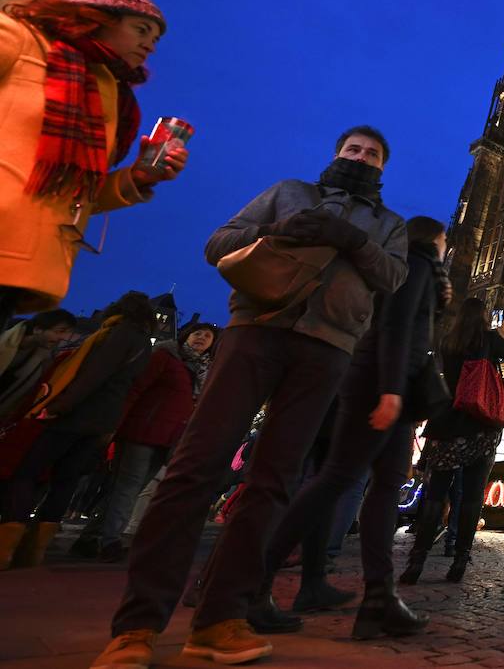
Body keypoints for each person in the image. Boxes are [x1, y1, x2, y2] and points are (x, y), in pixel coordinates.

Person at [93, 126, 408, 669]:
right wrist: (285, 227)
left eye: (372, 154)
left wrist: (354, 240)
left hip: (327, 348)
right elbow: (219, 244)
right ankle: (137, 624)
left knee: (274, 482)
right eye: (353, 149)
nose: (361, 158)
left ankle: (221, 617)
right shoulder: (290, 192)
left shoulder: (388, 224)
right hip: (256, 330)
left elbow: (394, 279)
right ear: (336, 154)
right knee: (196, 467)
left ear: (383, 166)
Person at [257, 215, 450, 639]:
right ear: (433, 240)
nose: (446, 248)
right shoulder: (416, 263)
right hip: (379, 386)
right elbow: (396, 326)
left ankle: (379, 598)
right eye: (444, 241)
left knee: (384, 489)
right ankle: (252, 582)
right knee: (336, 478)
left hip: (395, 388)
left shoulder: (419, 268)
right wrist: (390, 390)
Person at [0, 0, 188, 325]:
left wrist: (137, 177)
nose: (150, 45)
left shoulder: (112, 95)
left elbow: (71, 192)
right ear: (97, 17)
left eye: (157, 39)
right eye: (141, 29)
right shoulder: (23, 39)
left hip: (23, 267)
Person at [0, 291, 154, 570]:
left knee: (27, 472)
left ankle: (6, 545)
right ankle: (34, 550)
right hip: (103, 421)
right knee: (65, 481)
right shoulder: (145, 342)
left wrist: (59, 405)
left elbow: (94, 373)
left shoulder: (117, 333)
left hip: (77, 415)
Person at [402, 296, 504, 585]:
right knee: (471, 497)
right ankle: (459, 559)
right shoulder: (490, 339)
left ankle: (417, 559)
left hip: (446, 424)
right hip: (479, 425)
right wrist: (502, 336)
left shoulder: (448, 342)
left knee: (436, 495)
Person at [72, 323, 216, 562]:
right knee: (128, 487)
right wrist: (116, 424)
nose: (201, 338)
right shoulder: (165, 356)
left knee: (129, 489)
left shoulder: (202, 370)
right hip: (142, 431)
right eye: (197, 333)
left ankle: (90, 538)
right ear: (185, 336)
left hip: (167, 438)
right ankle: (110, 541)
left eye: (207, 335)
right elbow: (136, 389)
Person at [0, 309, 78, 420]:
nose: (63, 338)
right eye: (59, 331)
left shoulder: (44, 358)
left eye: (66, 333)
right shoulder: (4, 336)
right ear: (38, 329)